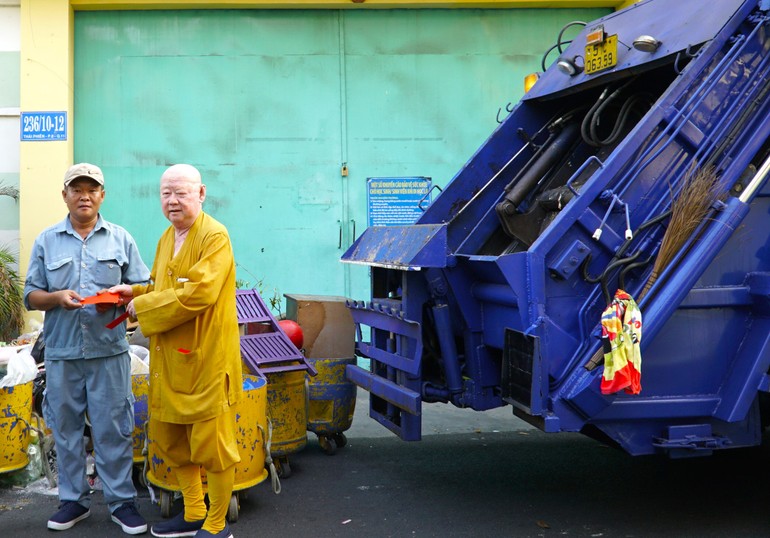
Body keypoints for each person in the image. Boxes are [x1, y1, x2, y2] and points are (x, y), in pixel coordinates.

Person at [110, 164, 243, 538]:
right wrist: (134, 293)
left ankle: (216, 525)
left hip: (206, 359)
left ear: (201, 194)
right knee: (171, 436)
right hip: (171, 358)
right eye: (166, 193)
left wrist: (144, 307)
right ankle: (193, 511)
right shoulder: (168, 237)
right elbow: (161, 283)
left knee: (212, 444)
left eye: (181, 193)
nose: (172, 201)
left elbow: (198, 293)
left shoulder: (214, 236)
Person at [24, 163, 150, 534]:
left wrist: (127, 301)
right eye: (76, 189)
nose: (84, 195)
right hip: (62, 353)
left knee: (113, 426)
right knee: (65, 428)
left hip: (109, 351)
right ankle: (73, 501)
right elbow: (31, 295)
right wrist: (56, 297)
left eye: (91, 189)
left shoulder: (121, 239)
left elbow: (143, 288)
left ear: (102, 196)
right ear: (64, 195)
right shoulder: (47, 241)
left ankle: (121, 502)